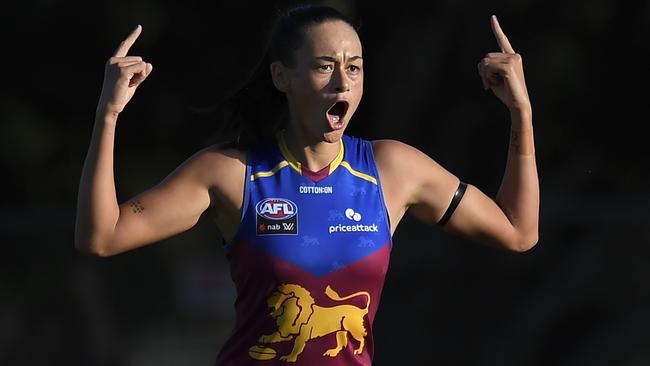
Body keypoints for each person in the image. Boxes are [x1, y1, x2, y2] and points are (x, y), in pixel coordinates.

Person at [75, 4, 539, 365]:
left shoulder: (393, 170)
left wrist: (521, 113)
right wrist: (108, 115)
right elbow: (101, 237)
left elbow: (518, 231)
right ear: (282, 76)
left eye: (354, 68)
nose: (343, 82)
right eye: (324, 67)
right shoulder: (234, 173)